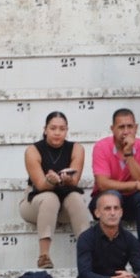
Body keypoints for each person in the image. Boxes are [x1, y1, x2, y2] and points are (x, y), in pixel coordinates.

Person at [20, 112, 89, 269]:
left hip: (64, 206)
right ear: (45, 130)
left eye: (62, 129)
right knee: (50, 198)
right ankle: (44, 255)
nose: (57, 133)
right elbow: (40, 184)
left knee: (76, 198)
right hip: (35, 204)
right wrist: (50, 181)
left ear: (67, 130)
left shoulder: (77, 148)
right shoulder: (33, 150)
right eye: (53, 128)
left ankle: (87, 254)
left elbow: (75, 180)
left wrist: (67, 180)